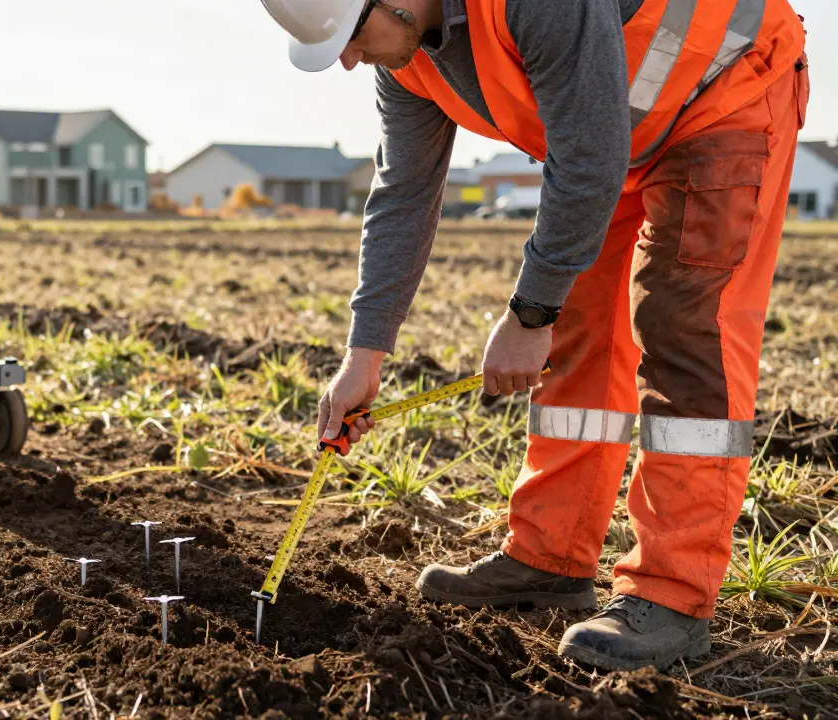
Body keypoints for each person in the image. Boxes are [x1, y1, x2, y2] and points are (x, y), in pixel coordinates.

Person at [259, 0, 808, 671]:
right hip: (617, 136)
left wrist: (527, 315)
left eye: (349, 36)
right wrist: (363, 355)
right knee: (577, 329)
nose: (348, 59)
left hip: (726, 92)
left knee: (683, 335)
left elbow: (587, 155)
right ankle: (550, 557)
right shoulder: (404, 62)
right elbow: (403, 195)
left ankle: (672, 595)